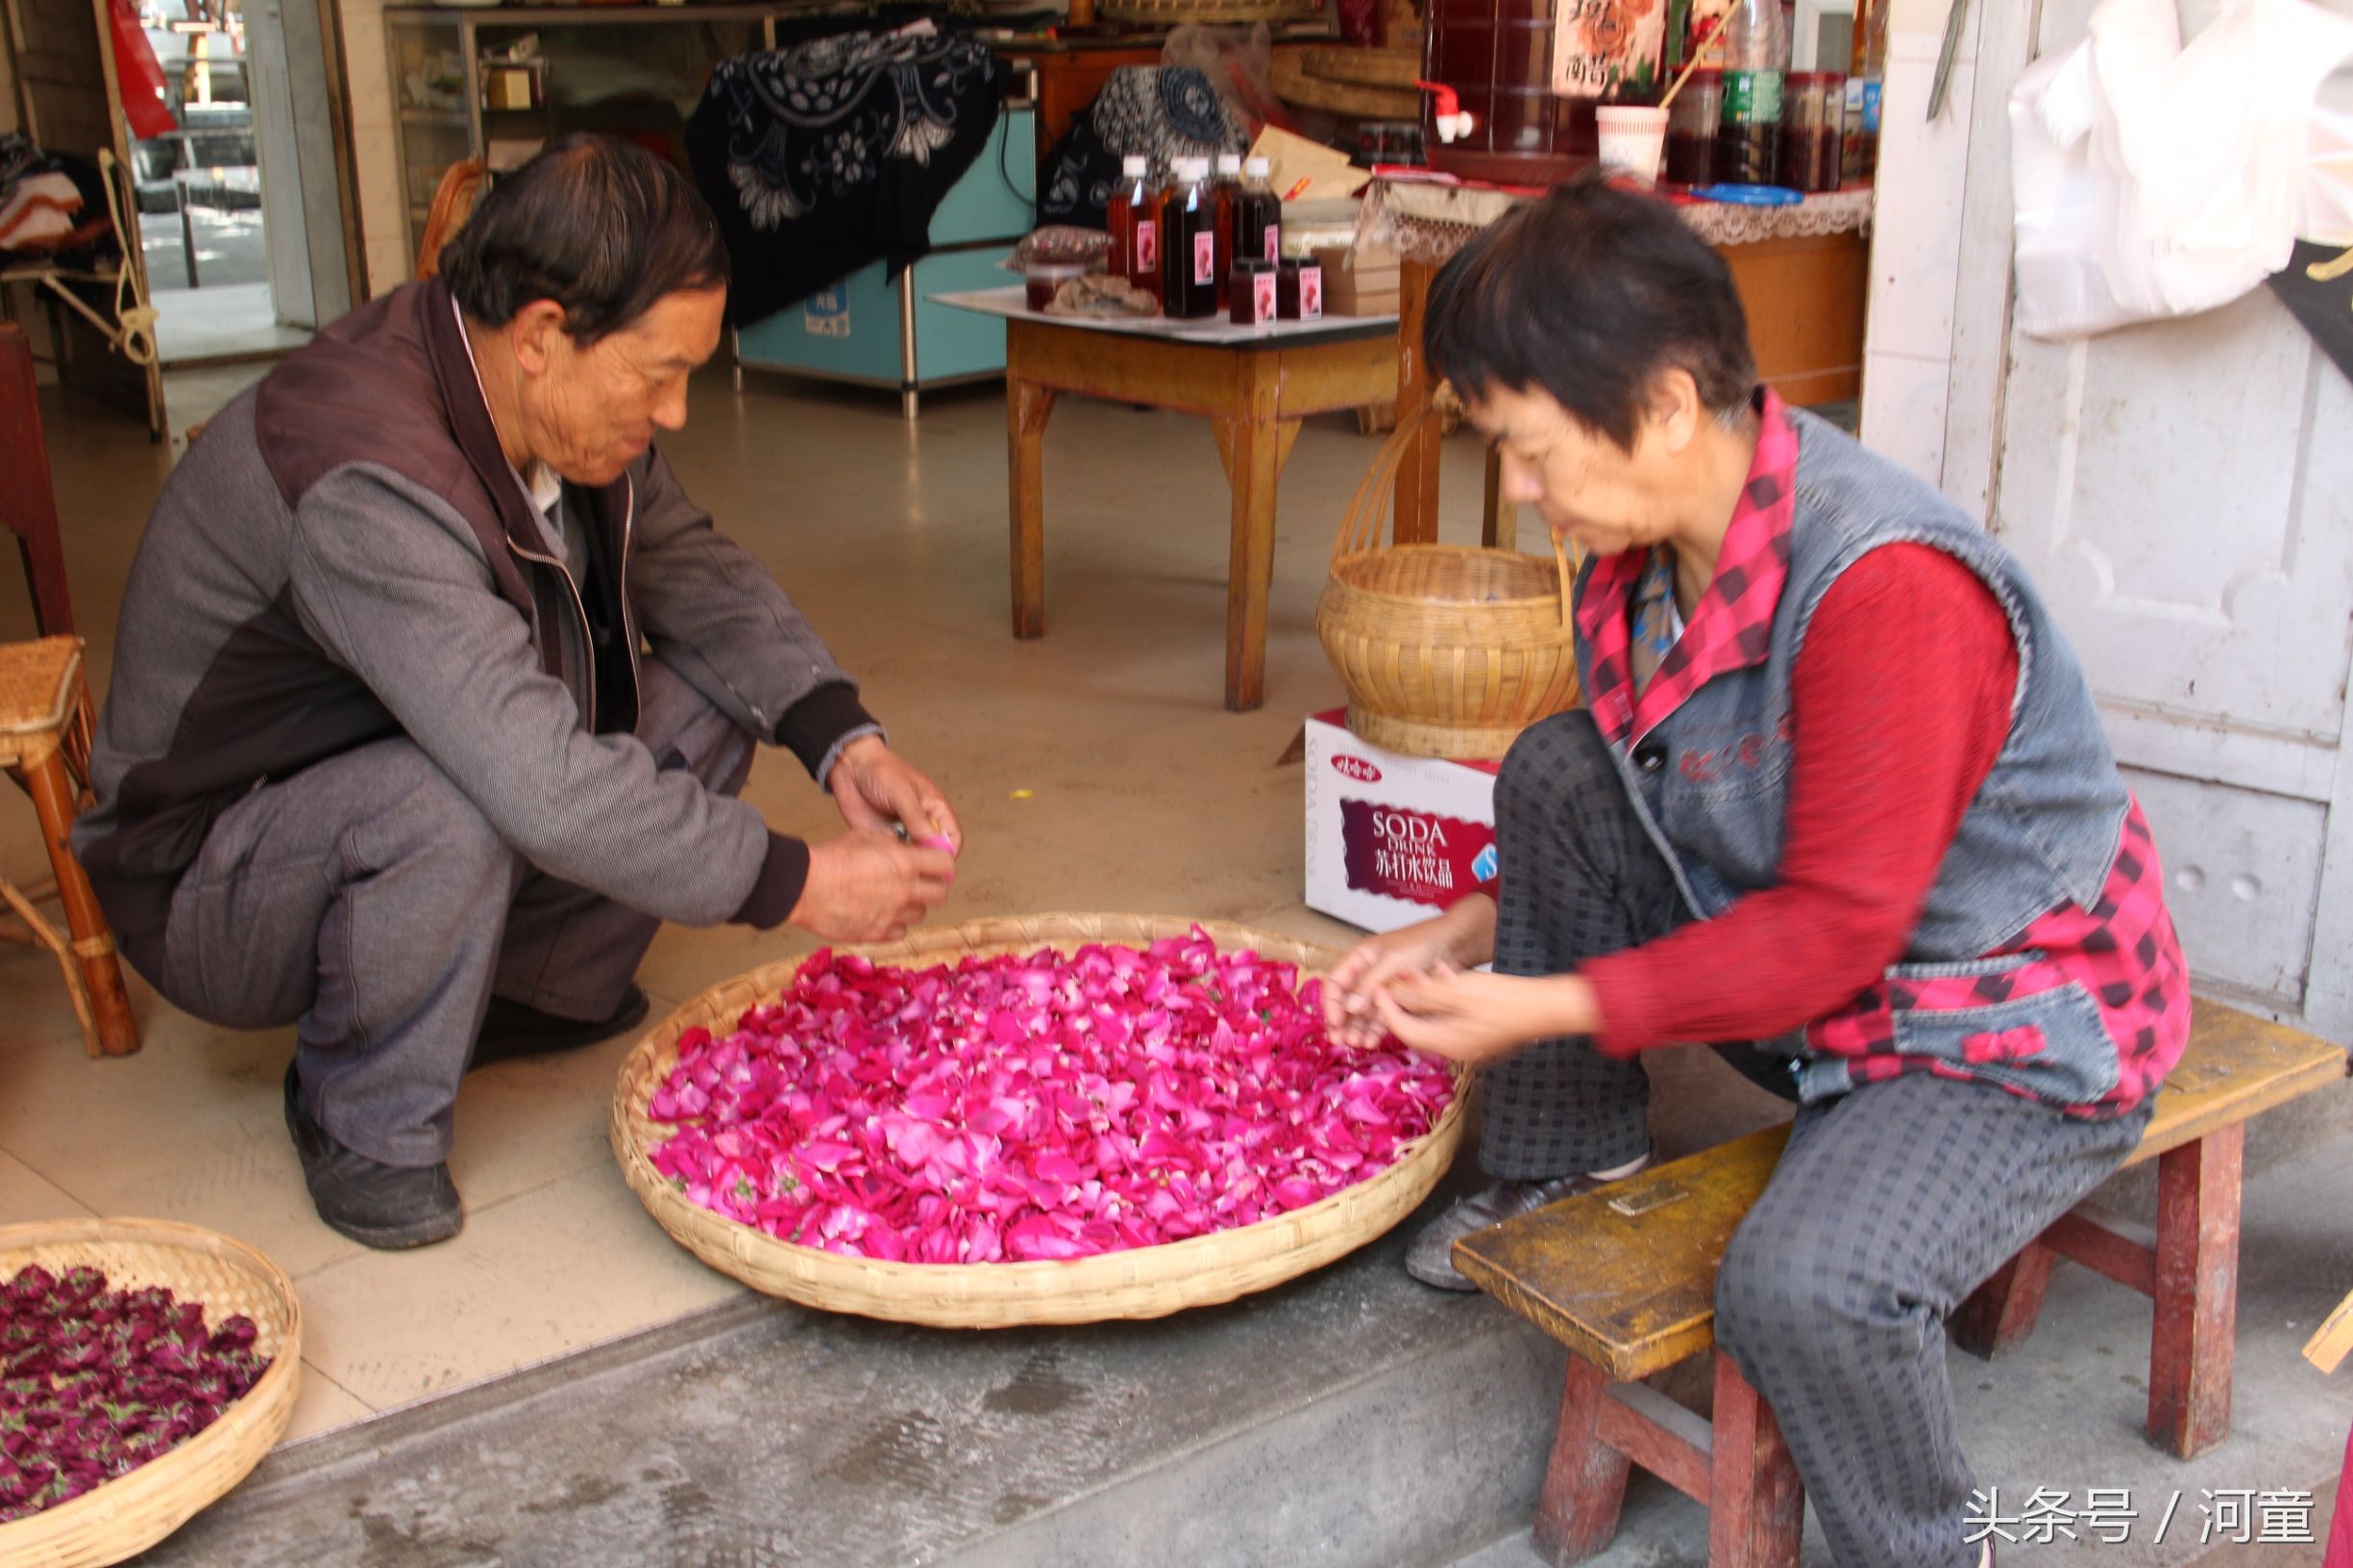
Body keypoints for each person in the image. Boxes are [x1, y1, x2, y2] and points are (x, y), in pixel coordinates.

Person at [1320, 175, 2189, 1568]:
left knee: (1806, 1291)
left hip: (2000, 1031)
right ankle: (1563, 1166)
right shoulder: (1655, 548)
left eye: (1533, 452)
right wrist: (1471, 935)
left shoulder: (1885, 587)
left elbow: (1833, 938)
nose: (1526, 492)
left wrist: (1536, 1005)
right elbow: (1662, 800)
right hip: (1828, 980)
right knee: (1558, 768)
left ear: (1665, 403)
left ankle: (1920, 1548)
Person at [74, 135, 962, 1252]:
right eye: (660, 374)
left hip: (387, 764)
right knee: (445, 802)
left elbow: (692, 569)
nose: (678, 411)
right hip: (214, 874)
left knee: (705, 688)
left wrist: (846, 744)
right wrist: (797, 883)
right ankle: (358, 1116)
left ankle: (523, 989)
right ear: (544, 333)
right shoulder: (364, 478)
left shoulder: (546, 393)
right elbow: (536, 784)